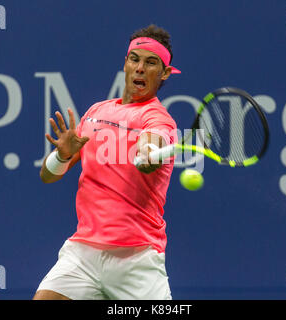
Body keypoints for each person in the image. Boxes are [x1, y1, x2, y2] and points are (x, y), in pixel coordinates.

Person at [33, 24, 180, 300]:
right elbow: (48, 176)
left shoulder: (158, 119)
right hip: (83, 254)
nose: (140, 68)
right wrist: (62, 156)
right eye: (135, 59)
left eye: (151, 63)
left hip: (136, 261)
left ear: (164, 73)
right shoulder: (96, 112)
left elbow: (153, 144)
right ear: (125, 63)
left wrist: (147, 155)